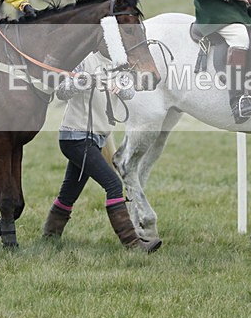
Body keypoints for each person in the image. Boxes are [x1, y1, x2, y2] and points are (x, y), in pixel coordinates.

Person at [41, 52, 161, 252]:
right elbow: (61, 92)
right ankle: (133, 243)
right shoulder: (83, 60)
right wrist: (84, 81)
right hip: (75, 138)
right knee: (113, 184)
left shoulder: (120, 64)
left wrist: (121, 88)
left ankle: (50, 236)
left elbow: (130, 92)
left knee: (69, 192)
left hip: (96, 139)